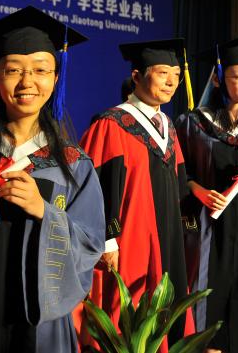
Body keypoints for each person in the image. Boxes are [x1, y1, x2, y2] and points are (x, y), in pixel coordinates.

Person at [0, 6, 105, 352]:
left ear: (55, 79)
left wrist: (45, 212)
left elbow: (91, 245)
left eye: (41, 70)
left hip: (44, 319)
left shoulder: (74, 163)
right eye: (13, 70)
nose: (27, 82)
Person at [80, 39, 193, 350]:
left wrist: (189, 230)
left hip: (168, 236)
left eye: (176, 75)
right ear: (137, 76)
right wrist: (107, 239)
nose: (171, 82)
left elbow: (180, 184)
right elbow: (98, 188)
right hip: (130, 237)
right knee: (130, 314)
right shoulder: (112, 123)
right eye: (163, 73)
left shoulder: (167, 125)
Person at [175, 34, 238, 353]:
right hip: (207, 224)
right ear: (219, 79)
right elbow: (179, 172)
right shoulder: (193, 124)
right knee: (208, 287)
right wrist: (200, 191)